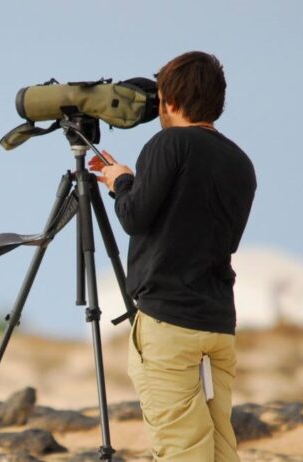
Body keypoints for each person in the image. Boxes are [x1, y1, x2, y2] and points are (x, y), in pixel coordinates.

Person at [89, 51, 256, 461]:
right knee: (219, 448)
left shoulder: (169, 143)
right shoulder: (240, 162)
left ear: (172, 101)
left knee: (182, 449)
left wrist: (121, 181)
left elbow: (134, 216)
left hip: (169, 323)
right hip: (217, 322)